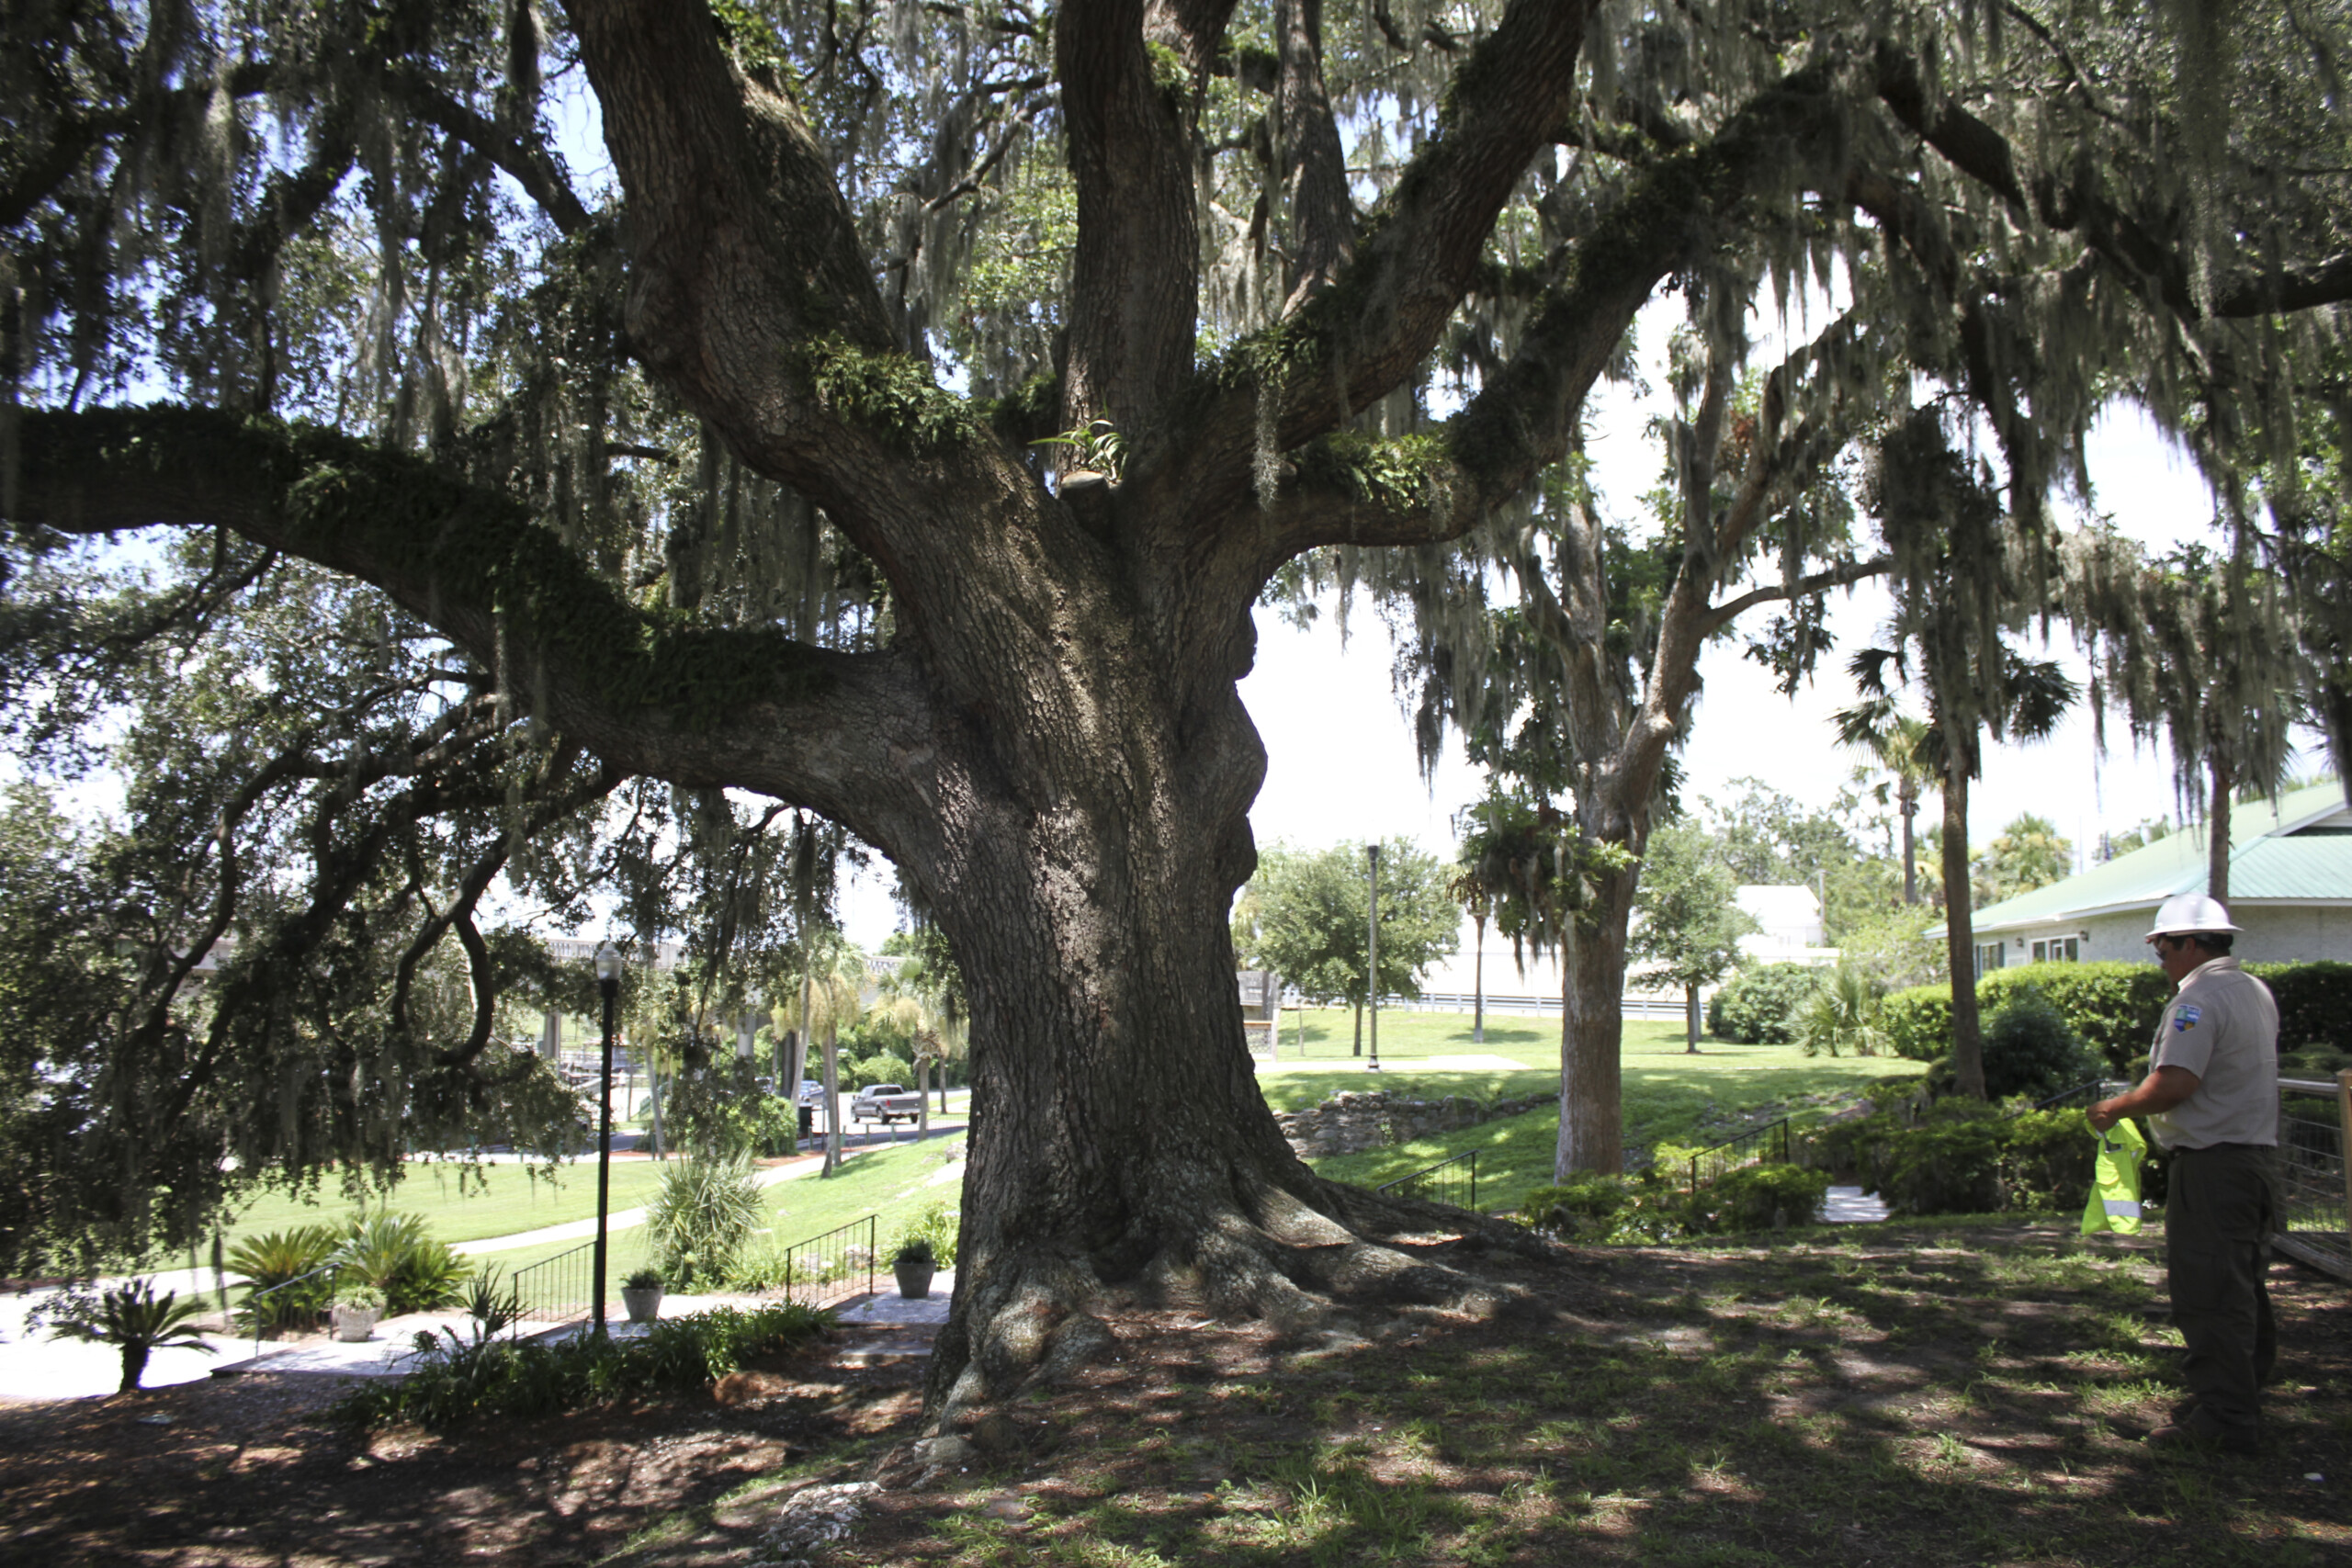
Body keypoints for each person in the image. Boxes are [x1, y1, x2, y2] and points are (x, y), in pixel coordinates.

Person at [2088, 892, 2278, 1456]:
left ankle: (2226, 1417)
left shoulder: (2196, 1001)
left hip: (2213, 1165)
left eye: (2163, 949)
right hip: (2255, 1161)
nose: (2161, 961)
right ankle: (2243, 1392)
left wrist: (2115, 1108)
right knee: (2243, 1284)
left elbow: (2176, 1082)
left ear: (2189, 943)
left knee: (2209, 1289)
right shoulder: (2254, 991)